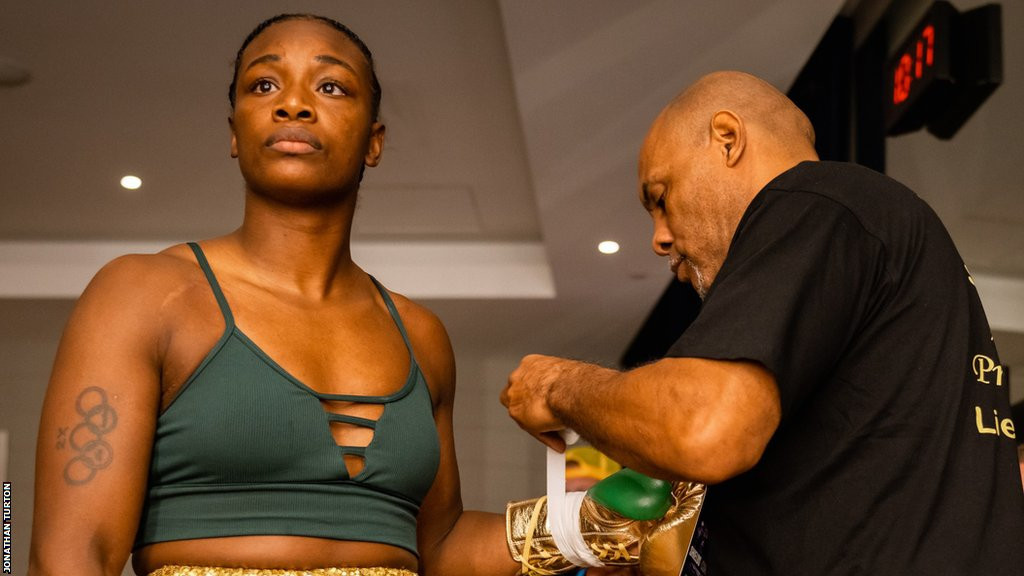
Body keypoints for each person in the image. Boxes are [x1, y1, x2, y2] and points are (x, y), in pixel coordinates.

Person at [28, 13, 692, 576]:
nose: (293, 102)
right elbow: (74, 553)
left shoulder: (421, 336)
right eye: (264, 83)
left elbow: (437, 543)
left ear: (373, 142)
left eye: (331, 86)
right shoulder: (145, 294)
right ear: (234, 131)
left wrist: (583, 524)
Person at [502, 70, 1024, 574]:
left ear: (727, 139)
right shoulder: (878, 245)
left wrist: (557, 385)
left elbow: (704, 430)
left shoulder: (814, 200)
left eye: (661, 198)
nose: (659, 237)